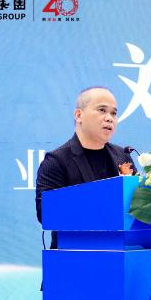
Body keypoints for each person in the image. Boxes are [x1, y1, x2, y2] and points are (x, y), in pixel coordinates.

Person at [35, 86, 137, 249]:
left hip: (120, 253)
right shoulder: (56, 161)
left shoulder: (122, 156)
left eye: (113, 113)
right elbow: (45, 213)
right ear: (78, 115)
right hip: (76, 254)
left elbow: (137, 206)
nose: (109, 118)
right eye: (102, 110)